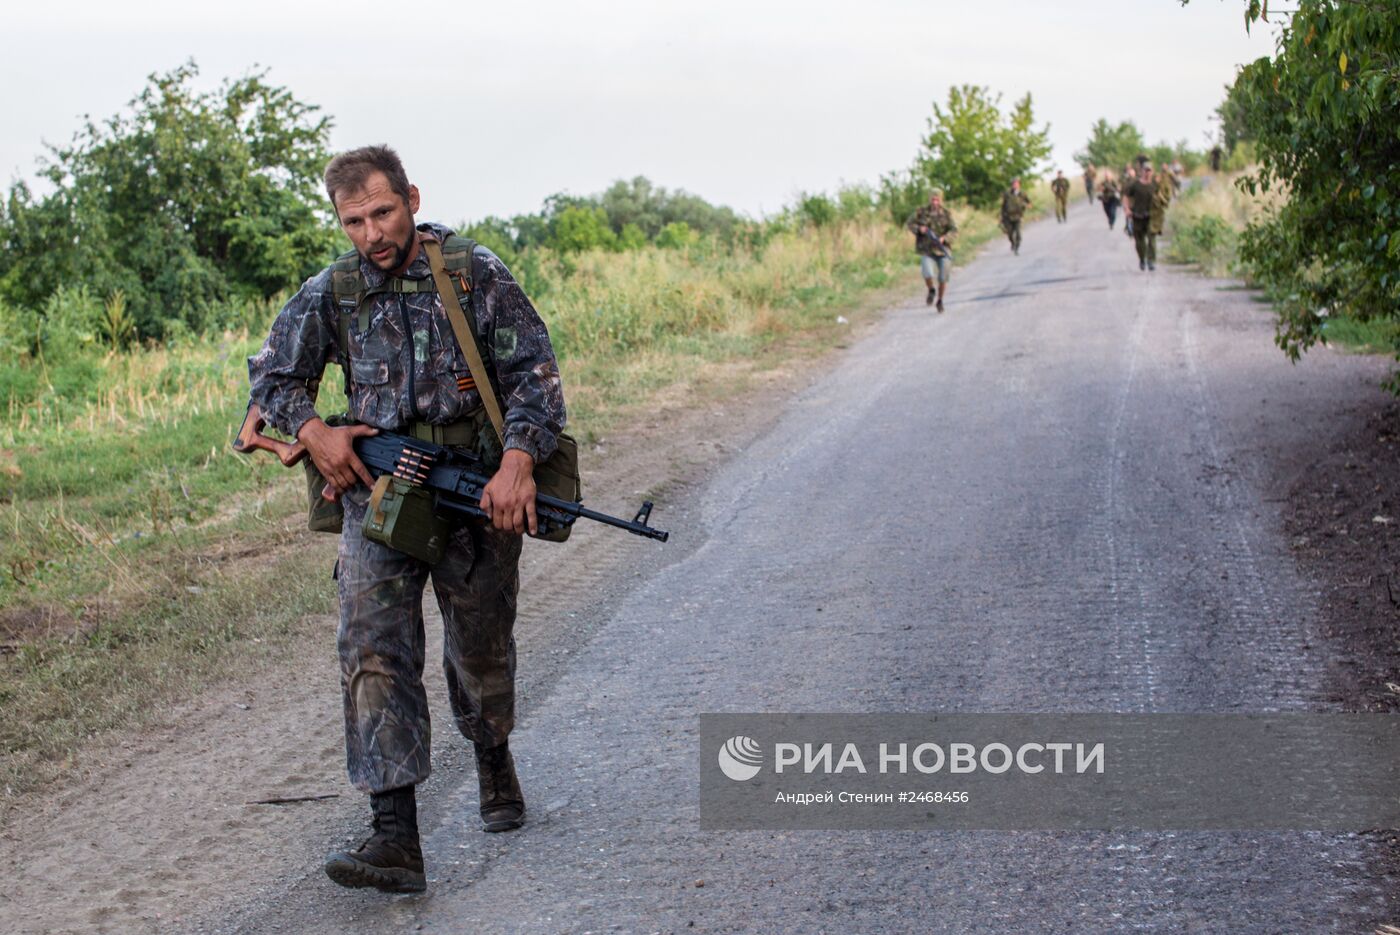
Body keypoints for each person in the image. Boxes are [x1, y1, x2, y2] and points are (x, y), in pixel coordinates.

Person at [247, 145, 567, 893]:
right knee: (371, 646)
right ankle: (395, 833)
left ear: (412, 199)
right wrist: (313, 431)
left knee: (480, 649)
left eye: (382, 212)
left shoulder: (472, 273)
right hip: (380, 497)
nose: (371, 233)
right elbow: (273, 375)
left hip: (472, 490)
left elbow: (536, 378)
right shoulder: (335, 289)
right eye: (353, 220)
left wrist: (519, 460)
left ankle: (491, 752)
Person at [905, 188, 958, 311]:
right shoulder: (921, 212)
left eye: (937, 200)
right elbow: (909, 223)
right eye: (933, 199)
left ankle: (940, 300)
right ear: (929, 199)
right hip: (927, 250)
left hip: (943, 249)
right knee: (927, 273)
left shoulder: (946, 213)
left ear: (941, 200)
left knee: (943, 277)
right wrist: (919, 229)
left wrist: (945, 238)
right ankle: (931, 290)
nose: (935, 202)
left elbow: (954, 230)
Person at [1123, 161, 1159, 270]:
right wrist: (1127, 209)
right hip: (1137, 215)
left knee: (1152, 239)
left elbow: (1162, 197)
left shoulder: (1155, 185)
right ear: (1141, 171)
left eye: (1149, 170)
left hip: (1151, 216)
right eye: (1145, 170)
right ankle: (1142, 259)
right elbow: (1126, 196)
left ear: (1152, 172)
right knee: (1139, 242)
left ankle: (1151, 261)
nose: (1147, 172)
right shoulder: (1135, 184)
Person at [1000, 178, 1031, 255]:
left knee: (1018, 234)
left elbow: (1029, 202)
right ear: (1012, 185)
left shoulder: (1022, 193)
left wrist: (1027, 205)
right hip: (1008, 216)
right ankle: (1013, 243)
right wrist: (1001, 216)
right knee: (1010, 233)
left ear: (1019, 185)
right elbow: (1003, 205)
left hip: (1018, 216)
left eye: (1017, 184)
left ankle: (1016, 248)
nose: (1015, 185)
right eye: (1014, 184)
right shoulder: (1007, 193)